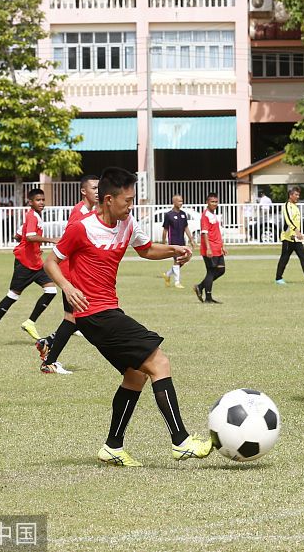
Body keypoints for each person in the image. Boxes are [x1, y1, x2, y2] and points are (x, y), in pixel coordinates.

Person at [43, 167, 212, 466]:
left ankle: (112, 447)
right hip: (94, 313)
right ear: (109, 199)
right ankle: (181, 442)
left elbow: (146, 250)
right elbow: (51, 261)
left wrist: (175, 249)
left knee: (135, 375)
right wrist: (67, 287)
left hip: (107, 311)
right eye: (127, 200)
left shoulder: (127, 222)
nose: (131, 205)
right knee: (159, 362)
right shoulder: (81, 228)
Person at [34, 175, 99, 374]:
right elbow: (70, 245)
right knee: (75, 318)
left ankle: (48, 344)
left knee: (76, 318)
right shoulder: (79, 213)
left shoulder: (90, 212)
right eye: (94, 188)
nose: (98, 192)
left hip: (77, 273)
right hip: (71, 274)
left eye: (100, 188)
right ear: (83, 191)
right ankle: (49, 361)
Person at [0, 189, 59, 346]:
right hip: (25, 264)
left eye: (43, 199)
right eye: (38, 200)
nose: (42, 202)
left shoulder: (34, 216)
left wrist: (34, 246)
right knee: (13, 295)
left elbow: (19, 235)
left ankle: (30, 323)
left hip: (35, 262)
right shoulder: (32, 215)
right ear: (30, 202)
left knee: (51, 290)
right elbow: (30, 237)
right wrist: (50, 240)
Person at [275, 186, 304, 285]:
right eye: (296, 195)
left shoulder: (295, 206)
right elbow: (288, 220)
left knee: (303, 255)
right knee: (284, 258)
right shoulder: (287, 206)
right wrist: (297, 231)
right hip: (288, 238)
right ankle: (278, 278)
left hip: (295, 238)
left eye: (298, 195)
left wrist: (298, 233)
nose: (298, 196)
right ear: (290, 195)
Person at [193, 193, 226, 304]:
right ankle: (208, 298)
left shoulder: (213, 214)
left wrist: (222, 246)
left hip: (217, 247)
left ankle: (200, 286)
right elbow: (204, 233)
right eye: (212, 201)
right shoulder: (205, 215)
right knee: (211, 272)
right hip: (210, 248)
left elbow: (217, 232)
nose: (214, 204)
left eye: (216, 201)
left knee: (221, 270)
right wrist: (208, 248)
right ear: (207, 202)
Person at [161, 194, 195, 289]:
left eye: (182, 201)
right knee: (177, 260)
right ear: (174, 202)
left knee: (182, 261)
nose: (181, 203)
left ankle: (167, 274)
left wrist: (191, 239)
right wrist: (164, 242)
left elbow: (186, 228)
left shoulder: (183, 214)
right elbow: (165, 229)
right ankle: (177, 282)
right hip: (173, 242)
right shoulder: (169, 215)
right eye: (179, 201)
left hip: (182, 241)